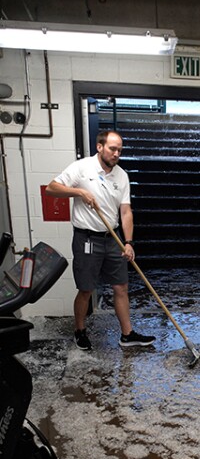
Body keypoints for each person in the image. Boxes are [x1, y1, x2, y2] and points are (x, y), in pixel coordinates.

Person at [45, 130, 155, 350]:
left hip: (112, 238)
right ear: (100, 147)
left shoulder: (121, 175)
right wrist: (79, 192)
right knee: (86, 289)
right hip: (87, 238)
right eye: (113, 149)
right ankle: (80, 330)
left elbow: (125, 212)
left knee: (121, 287)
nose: (116, 154)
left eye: (120, 150)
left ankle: (127, 334)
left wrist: (129, 242)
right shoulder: (82, 167)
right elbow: (51, 188)